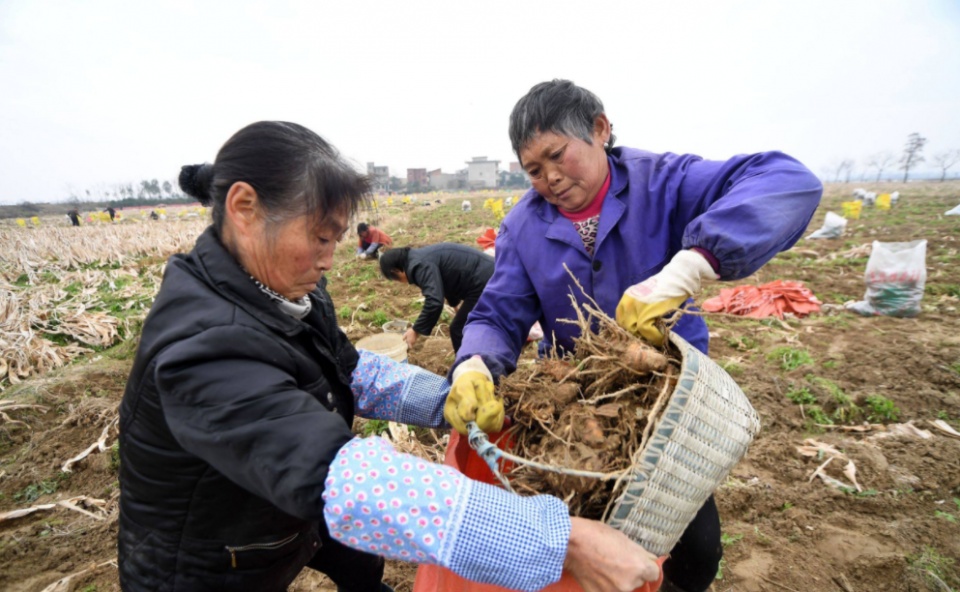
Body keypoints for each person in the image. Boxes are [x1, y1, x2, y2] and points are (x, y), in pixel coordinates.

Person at [118, 120, 661, 592]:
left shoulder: (289, 290)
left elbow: (352, 372)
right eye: (321, 239)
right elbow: (337, 476)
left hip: (288, 519)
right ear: (244, 209)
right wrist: (559, 543)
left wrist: (451, 397)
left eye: (336, 240)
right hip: (213, 559)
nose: (330, 260)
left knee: (359, 564)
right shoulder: (202, 347)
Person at [448, 80, 823, 592]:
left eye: (558, 156)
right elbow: (497, 314)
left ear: (600, 129)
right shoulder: (522, 227)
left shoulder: (663, 182)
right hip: (577, 416)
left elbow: (787, 181)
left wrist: (691, 265)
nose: (551, 178)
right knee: (593, 544)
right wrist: (475, 363)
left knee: (697, 549)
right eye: (534, 170)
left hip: (668, 409)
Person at [379, 243, 494, 352]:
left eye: (395, 278)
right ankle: (478, 354)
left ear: (395, 270)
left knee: (458, 328)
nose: (399, 282)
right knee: (467, 322)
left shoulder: (420, 266)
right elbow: (445, 280)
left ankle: (467, 367)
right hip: (485, 275)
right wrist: (455, 304)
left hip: (484, 281)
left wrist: (415, 331)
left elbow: (434, 301)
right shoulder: (417, 258)